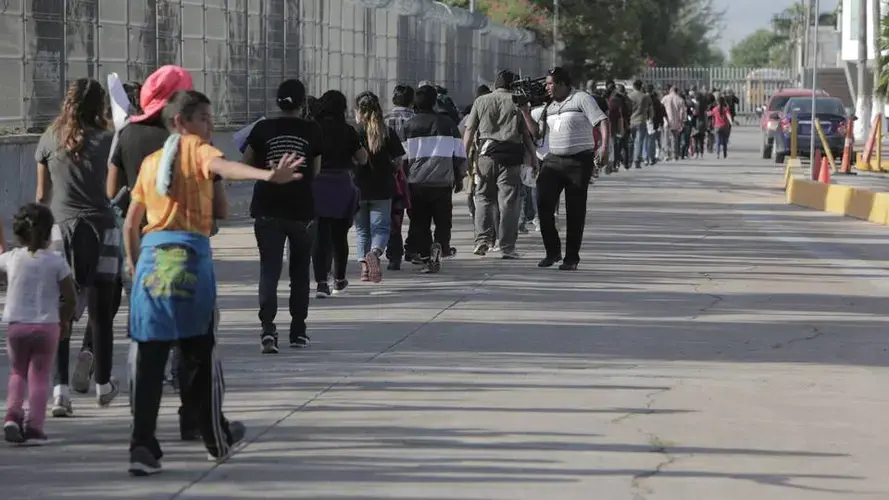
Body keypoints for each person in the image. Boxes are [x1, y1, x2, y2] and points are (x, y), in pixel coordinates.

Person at [123, 89, 302, 475]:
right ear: (179, 122)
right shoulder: (196, 149)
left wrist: (134, 266)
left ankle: (142, 447)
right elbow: (228, 168)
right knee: (200, 355)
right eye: (204, 118)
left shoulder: (150, 164)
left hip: (152, 262)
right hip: (189, 257)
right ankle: (214, 438)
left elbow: (129, 224)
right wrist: (267, 175)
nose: (210, 126)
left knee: (149, 360)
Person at [106, 65, 198, 439]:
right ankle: (184, 392)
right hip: (178, 241)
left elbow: (111, 190)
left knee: (142, 315)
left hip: (137, 241)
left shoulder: (126, 134)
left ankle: (145, 385)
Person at [34, 78, 121, 417]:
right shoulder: (110, 141)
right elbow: (115, 189)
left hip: (59, 230)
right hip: (103, 230)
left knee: (60, 311)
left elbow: (42, 196)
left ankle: (60, 394)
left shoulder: (47, 139)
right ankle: (102, 385)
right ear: (101, 106)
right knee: (101, 312)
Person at [243, 79, 322, 352]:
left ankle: (267, 330)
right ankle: (298, 331)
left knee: (270, 270)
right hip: (302, 209)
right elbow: (315, 171)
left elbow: (247, 162)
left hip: (267, 207)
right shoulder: (312, 130)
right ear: (303, 103)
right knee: (300, 271)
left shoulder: (262, 128)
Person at [2, 203, 77, 445]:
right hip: (47, 327)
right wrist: (63, 320)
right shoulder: (57, 261)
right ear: (48, 234)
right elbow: (71, 296)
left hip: (16, 326)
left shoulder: (11, 258)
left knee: (17, 372)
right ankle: (34, 428)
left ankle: (12, 417)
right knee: (40, 377)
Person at [535, 67, 609, 271]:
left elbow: (602, 120)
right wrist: (524, 112)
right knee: (543, 203)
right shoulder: (548, 105)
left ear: (562, 84)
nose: (547, 87)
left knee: (575, 211)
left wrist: (604, 147)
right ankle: (552, 251)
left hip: (579, 161)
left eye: (550, 83)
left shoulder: (581, 99)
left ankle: (571, 258)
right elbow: (538, 133)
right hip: (553, 160)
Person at [463, 70, 536, 259]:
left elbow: (470, 130)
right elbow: (526, 134)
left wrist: (464, 157)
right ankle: (507, 247)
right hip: (511, 157)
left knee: (483, 199)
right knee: (509, 203)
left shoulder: (481, 101)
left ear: (496, 84)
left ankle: (482, 240)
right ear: (513, 85)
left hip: (486, 156)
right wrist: (534, 159)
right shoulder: (518, 101)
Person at [403, 85, 467, 273]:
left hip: (416, 183)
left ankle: (425, 254)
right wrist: (460, 177)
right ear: (434, 102)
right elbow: (460, 154)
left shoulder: (408, 126)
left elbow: (403, 158)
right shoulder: (448, 124)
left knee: (420, 221)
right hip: (442, 182)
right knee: (443, 219)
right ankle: (440, 246)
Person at [312, 91, 368, 293]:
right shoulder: (348, 130)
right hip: (341, 185)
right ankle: (339, 280)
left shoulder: (313, 129)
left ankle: (320, 283)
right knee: (339, 236)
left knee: (320, 237)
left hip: (317, 184)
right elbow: (362, 158)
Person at [353, 91, 404, 283]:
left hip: (359, 188)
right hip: (383, 187)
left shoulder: (355, 134)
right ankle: (375, 253)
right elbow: (398, 161)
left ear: (359, 111)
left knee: (362, 230)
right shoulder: (387, 132)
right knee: (381, 229)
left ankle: (365, 270)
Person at [383, 85, 415, 271]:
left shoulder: (384, 120)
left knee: (394, 214)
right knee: (416, 214)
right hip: (414, 171)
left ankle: (394, 255)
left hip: (392, 172)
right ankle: (413, 248)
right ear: (412, 101)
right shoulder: (417, 120)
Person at [628, 80, 652, 169]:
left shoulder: (629, 96)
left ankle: (629, 159)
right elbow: (650, 109)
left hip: (631, 121)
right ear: (641, 86)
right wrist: (650, 118)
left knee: (630, 141)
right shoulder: (645, 97)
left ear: (633, 86)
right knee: (639, 142)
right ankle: (637, 161)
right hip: (641, 121)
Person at [661, 85, 687, 162]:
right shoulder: (680, 99)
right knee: (675, 139)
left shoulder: (665, 98)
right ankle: (674, 154)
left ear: (671, 90)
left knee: (666, 138)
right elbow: (682, 112)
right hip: (676, 122)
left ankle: (666, 155)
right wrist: (681, 122)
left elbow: (661, 108)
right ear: (677, 91)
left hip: (666, 121)